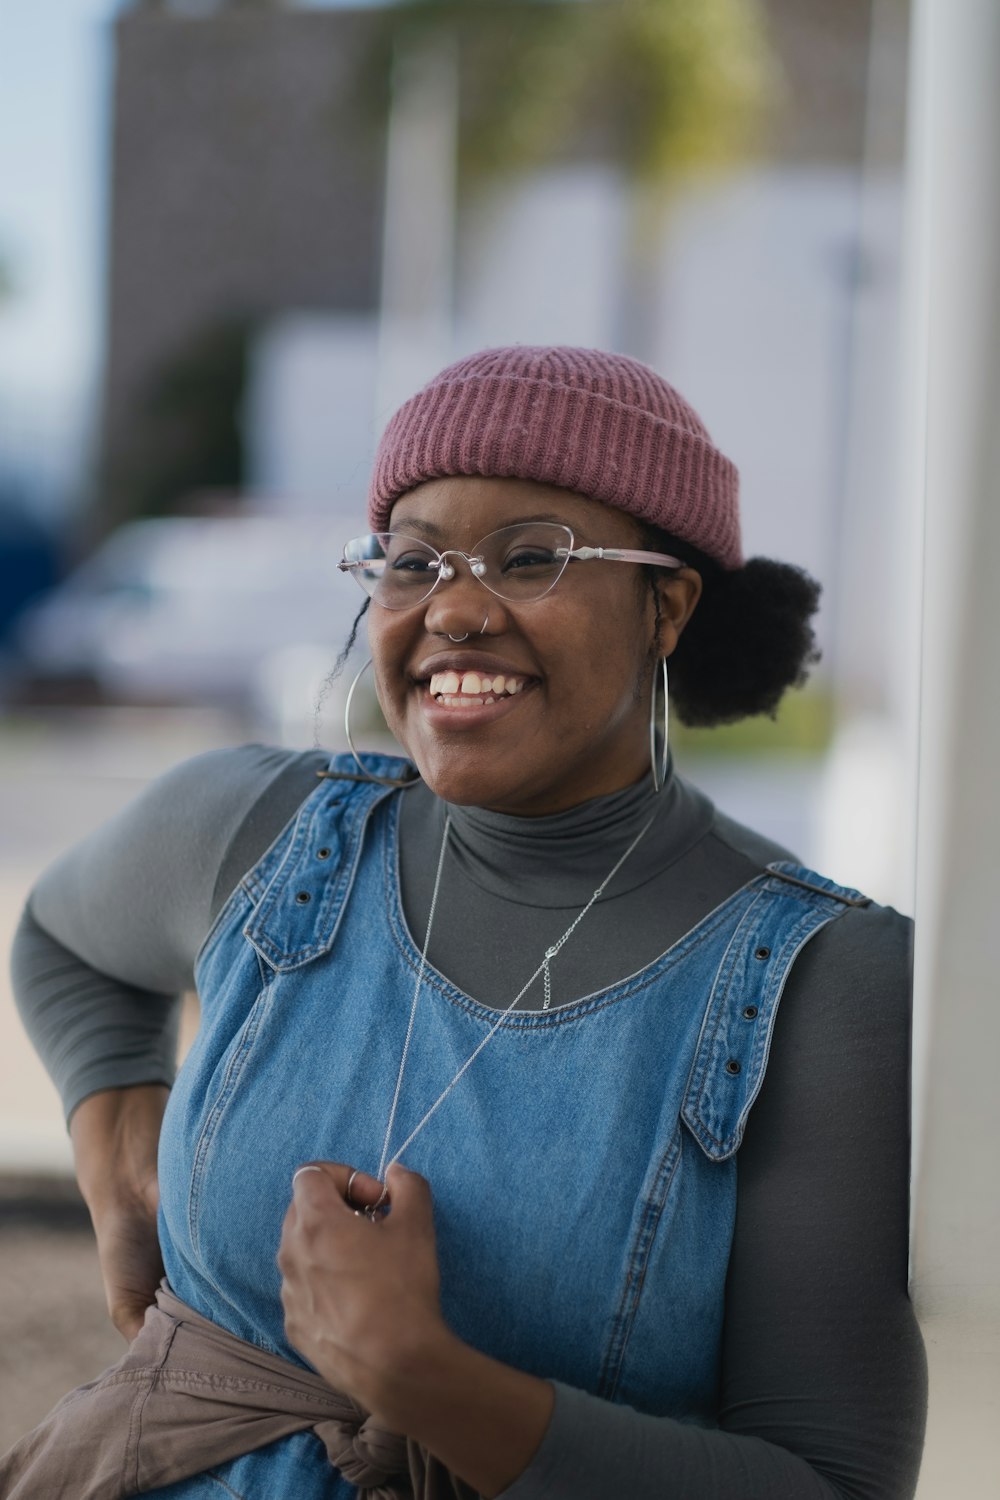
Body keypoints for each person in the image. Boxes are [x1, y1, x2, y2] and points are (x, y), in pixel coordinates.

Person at [5, 346, 925, 1499]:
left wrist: (424, 1379)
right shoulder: (254, 830)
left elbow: (832, 1483)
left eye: (532, 557)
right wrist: (113, 1132)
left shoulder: (824, 985)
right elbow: (61, 938)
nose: (453, 608)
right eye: (410, 563)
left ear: (666, 605)